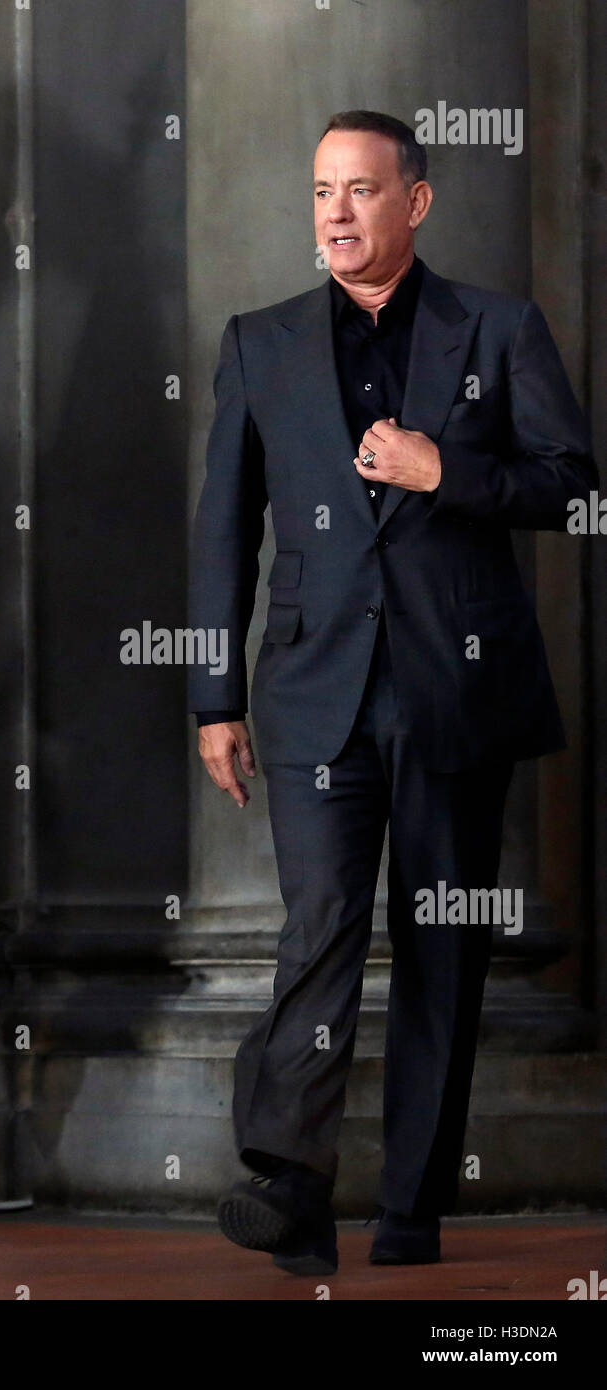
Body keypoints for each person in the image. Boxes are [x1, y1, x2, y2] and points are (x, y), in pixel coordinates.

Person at [188, 109, 597, 1276]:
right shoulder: (258, 342)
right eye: (321, 190)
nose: (334, 211)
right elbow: (223, 529)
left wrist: (443, 470)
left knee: (438, 947)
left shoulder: (499, 328)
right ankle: (288, 1178)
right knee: (317, 928)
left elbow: (570, 486)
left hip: (452, 693)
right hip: (313, 695)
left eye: (360, 190)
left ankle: (410, 1207)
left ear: (412, 202)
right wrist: (214, 698)